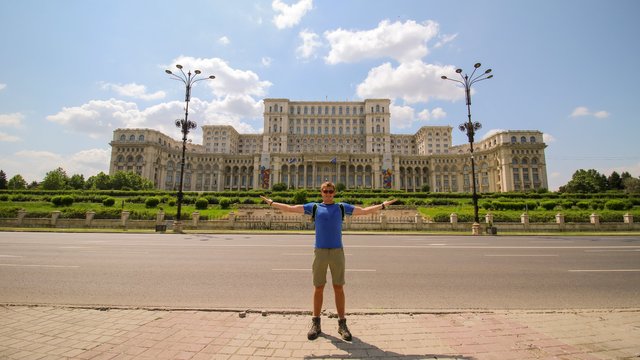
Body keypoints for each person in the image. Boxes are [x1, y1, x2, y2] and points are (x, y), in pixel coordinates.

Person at [260, 182, 397, 341]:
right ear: (321, 192)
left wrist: (382, 205)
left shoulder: (341, 207)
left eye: (330, 191)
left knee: (338, 287)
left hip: (337, 251)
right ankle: (316, 323)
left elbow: (364, 211)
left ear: (334, 193)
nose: (328, 194)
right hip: (320, 252)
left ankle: (342, 324)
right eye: (325, 191)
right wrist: (271, 203)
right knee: (318, 287)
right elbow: (291, 208)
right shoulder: (315, 207)